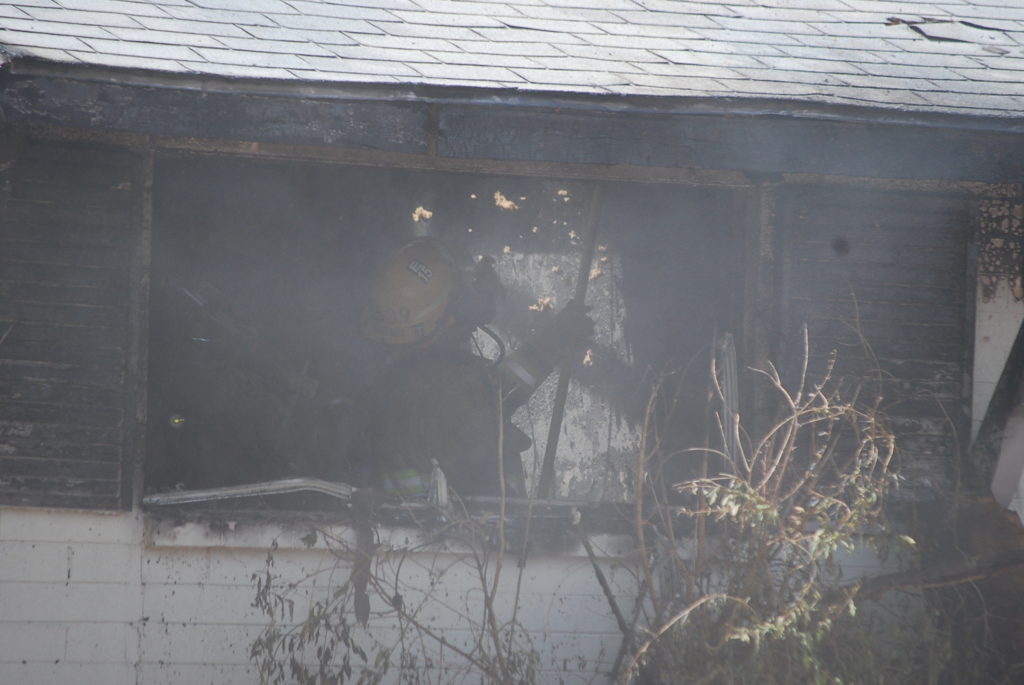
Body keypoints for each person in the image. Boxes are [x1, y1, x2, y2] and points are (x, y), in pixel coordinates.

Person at [352, 237, 592, 499]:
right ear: (455, 308)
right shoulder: (448, 390)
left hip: (412, 526)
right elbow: (486, 506)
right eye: (464, 292)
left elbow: (496, 390)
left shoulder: (399, 381)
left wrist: (554, 340)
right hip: (471, 527)